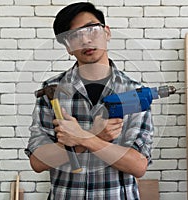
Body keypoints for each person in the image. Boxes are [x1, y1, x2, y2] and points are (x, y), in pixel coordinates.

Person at [25, 2, 153, 199]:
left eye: (91, 29)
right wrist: (94, 134)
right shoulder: (52, 91)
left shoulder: (134, 93)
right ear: (68, 47)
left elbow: (138, 165)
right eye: (74, 35)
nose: (85, 39)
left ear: (107, 33)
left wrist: (84, 137)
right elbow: (38, 162)